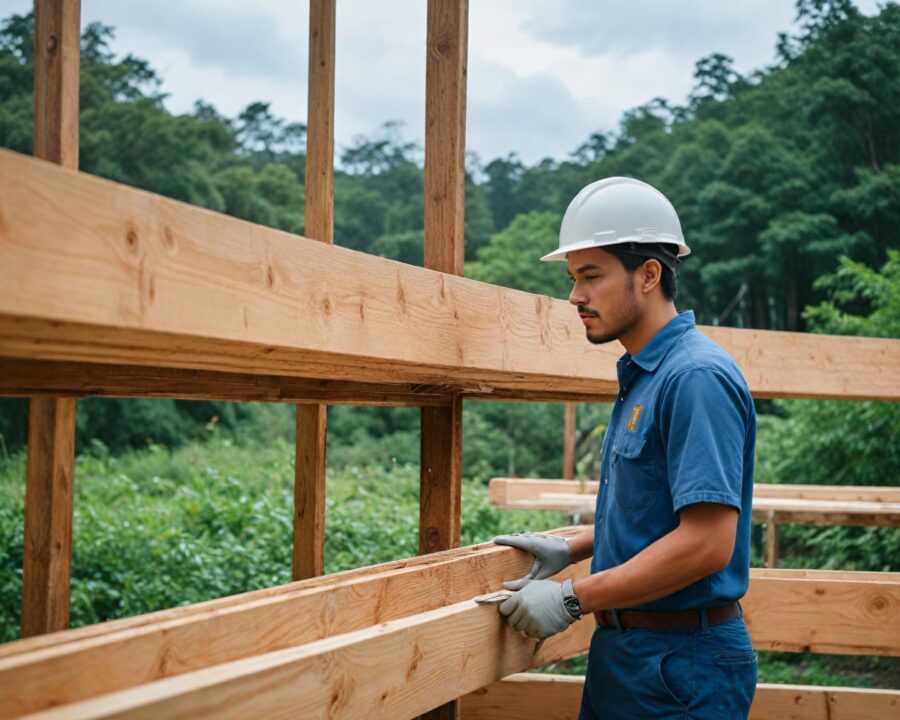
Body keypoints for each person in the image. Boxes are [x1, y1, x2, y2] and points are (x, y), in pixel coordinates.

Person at [494, 177, 758, 719]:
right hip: (631, 655)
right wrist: (576, 547)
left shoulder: (695, 378)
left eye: (591, 276)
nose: (575, 297)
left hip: (679, 667)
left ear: (649, 274)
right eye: (572, 279)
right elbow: (661, 508)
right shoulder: (647, 375)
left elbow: (708, 542)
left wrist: (573, 597)